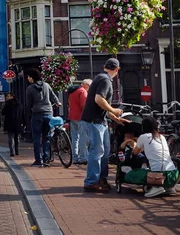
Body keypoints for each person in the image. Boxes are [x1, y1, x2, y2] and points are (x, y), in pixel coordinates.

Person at [81, 58, 129, 192]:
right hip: (94, 121)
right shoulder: (105, 80)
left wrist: (114, 118)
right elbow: (99, 99)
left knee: (105, 151)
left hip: (98, 121)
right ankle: (91, 182)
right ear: (117, 70)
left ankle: (101, 178)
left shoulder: (100, 77)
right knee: (97, 151)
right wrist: (114, 110)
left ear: (104, 66)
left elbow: (101, 106)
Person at [127, 116, 179, 197]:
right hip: (173, 174)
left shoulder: (143, 137)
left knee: (131, 174)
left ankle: (157, 186)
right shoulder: (162, 137)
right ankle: (168, 187)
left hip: (157, 176)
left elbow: (135, 153)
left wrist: (133, 145)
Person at [26, 67, 59, 167]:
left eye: (28, 77)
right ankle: (46, 159)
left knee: (36, 138)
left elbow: (29, 103)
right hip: (48, 113)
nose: (28, 79)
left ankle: (38, 160)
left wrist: (29, 112)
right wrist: (57, 102)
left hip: (37, 114)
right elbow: (53, 96)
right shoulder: (47, 85)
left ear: (32, 78)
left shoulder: (30, 88)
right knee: (46, 137)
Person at [68, 79, 92, 165]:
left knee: (75, 138)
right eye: (90, 86)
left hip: (72, 116)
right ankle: (83, 158)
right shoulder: (83, 91)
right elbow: (84, 105)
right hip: (81, 117)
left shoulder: (73, 91)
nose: (89, 89)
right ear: (86, 85)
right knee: (83, 138)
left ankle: (75, 158)